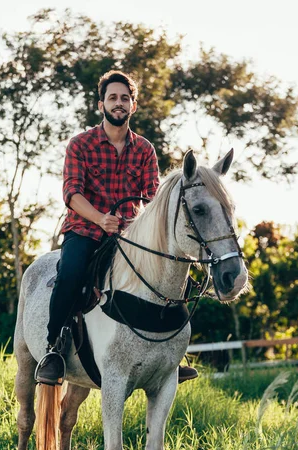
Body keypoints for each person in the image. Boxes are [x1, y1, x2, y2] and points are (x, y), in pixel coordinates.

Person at [36, 70, 198, 385]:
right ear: (102, 104)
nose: (119, 103)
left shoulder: (144, 150)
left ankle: (171, 357)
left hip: (130, 238)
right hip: (85, 231)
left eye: (125, 98)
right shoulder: (80, 144)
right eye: (113, 97)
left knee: (175, 279)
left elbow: (152, 201)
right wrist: (99, 217)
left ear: (133, 106)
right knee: (70, 274)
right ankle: (54, 347)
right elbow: (71, 193)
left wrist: (136, 229)